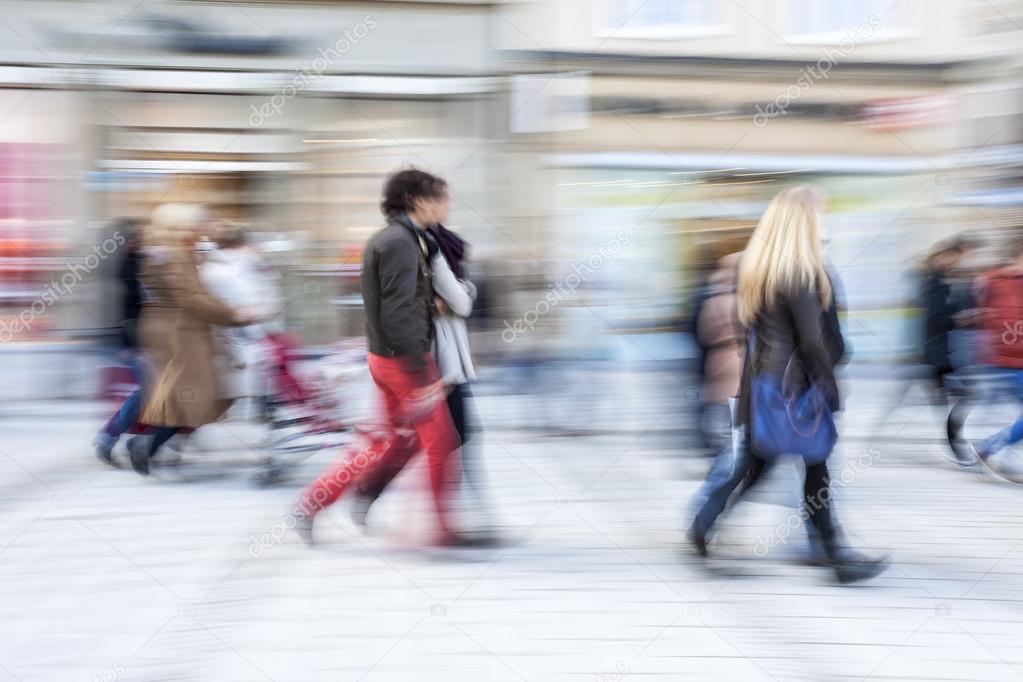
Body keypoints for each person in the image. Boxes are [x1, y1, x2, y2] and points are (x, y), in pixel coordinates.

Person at [687, 186, 888, 584]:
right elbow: (814, 342)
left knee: (767, 467)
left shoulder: (759, 270)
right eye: (820, 214)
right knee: (809, 466)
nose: (824, 222)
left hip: (766, 384)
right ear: (805, 221)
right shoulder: (804, 272)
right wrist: (831, 387)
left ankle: (704, 525)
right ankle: (835, 554)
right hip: (797, 389)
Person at [294, 169, 467, 546]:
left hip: (388, 358)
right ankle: (444, 528)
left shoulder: (403, 239)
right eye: (443, 197)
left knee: (386, 442)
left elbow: (400, 303)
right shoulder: (400, 243)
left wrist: (428, 307)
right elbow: (398, 309)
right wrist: (419, 365)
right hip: (406, 362)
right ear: (419, 201)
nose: (448, 205)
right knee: (440, 443)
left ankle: (312, 503)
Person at [350, 222, 492, 532]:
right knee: (448, 437)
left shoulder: (436, 253)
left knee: (449, 437)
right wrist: (449, 298)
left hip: (447, 362)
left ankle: (372, 491)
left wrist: (462, 290)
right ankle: (374, 491)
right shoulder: (422, 254)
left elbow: (463, 294)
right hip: (432, 362)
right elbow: (452, 302)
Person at [126, 204, 256, 476]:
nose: (204, 230)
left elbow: (202, 292)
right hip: (178, 335)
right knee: (190, 399)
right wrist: (232, 313)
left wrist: (232, 312)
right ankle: (147, 444)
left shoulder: (180, 253)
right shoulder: (173, 255)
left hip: (187, 333)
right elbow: (191, 298)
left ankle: (154, 444)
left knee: (195, 399)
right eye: (198, 225)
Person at [200, 221, 282, 410]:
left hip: (232, 330)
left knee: (245, 376)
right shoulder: (249, 261)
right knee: (254, 374)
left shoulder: (210, 267)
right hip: (248, 327)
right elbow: (265, 294)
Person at [920, 237, 978, 462]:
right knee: (962, 397)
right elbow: (936, 317)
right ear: (941, 256)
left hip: (943, 354)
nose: (956, 262)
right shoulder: (933, 282)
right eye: (954, 257)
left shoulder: (941, 280)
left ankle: (954, 445)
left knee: (955, 400)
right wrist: (958, 319)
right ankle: (954, 446)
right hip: (937, 356)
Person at [94, 218, 145, 464]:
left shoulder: (132, 263)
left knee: (150, 391)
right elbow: (125, 309)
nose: (141, 240)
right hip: (130, 342)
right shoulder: (124, 268)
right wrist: (128, 345)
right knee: (146, 391)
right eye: (136, 236)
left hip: (134, 341)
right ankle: (109, 437)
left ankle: (141, 439)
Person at [971, 236, 1023, 472]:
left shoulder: (1003, 282)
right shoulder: (1006, 284)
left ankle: (990, 449)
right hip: (1013, 363)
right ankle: (988, 448)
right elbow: (1009, 326)